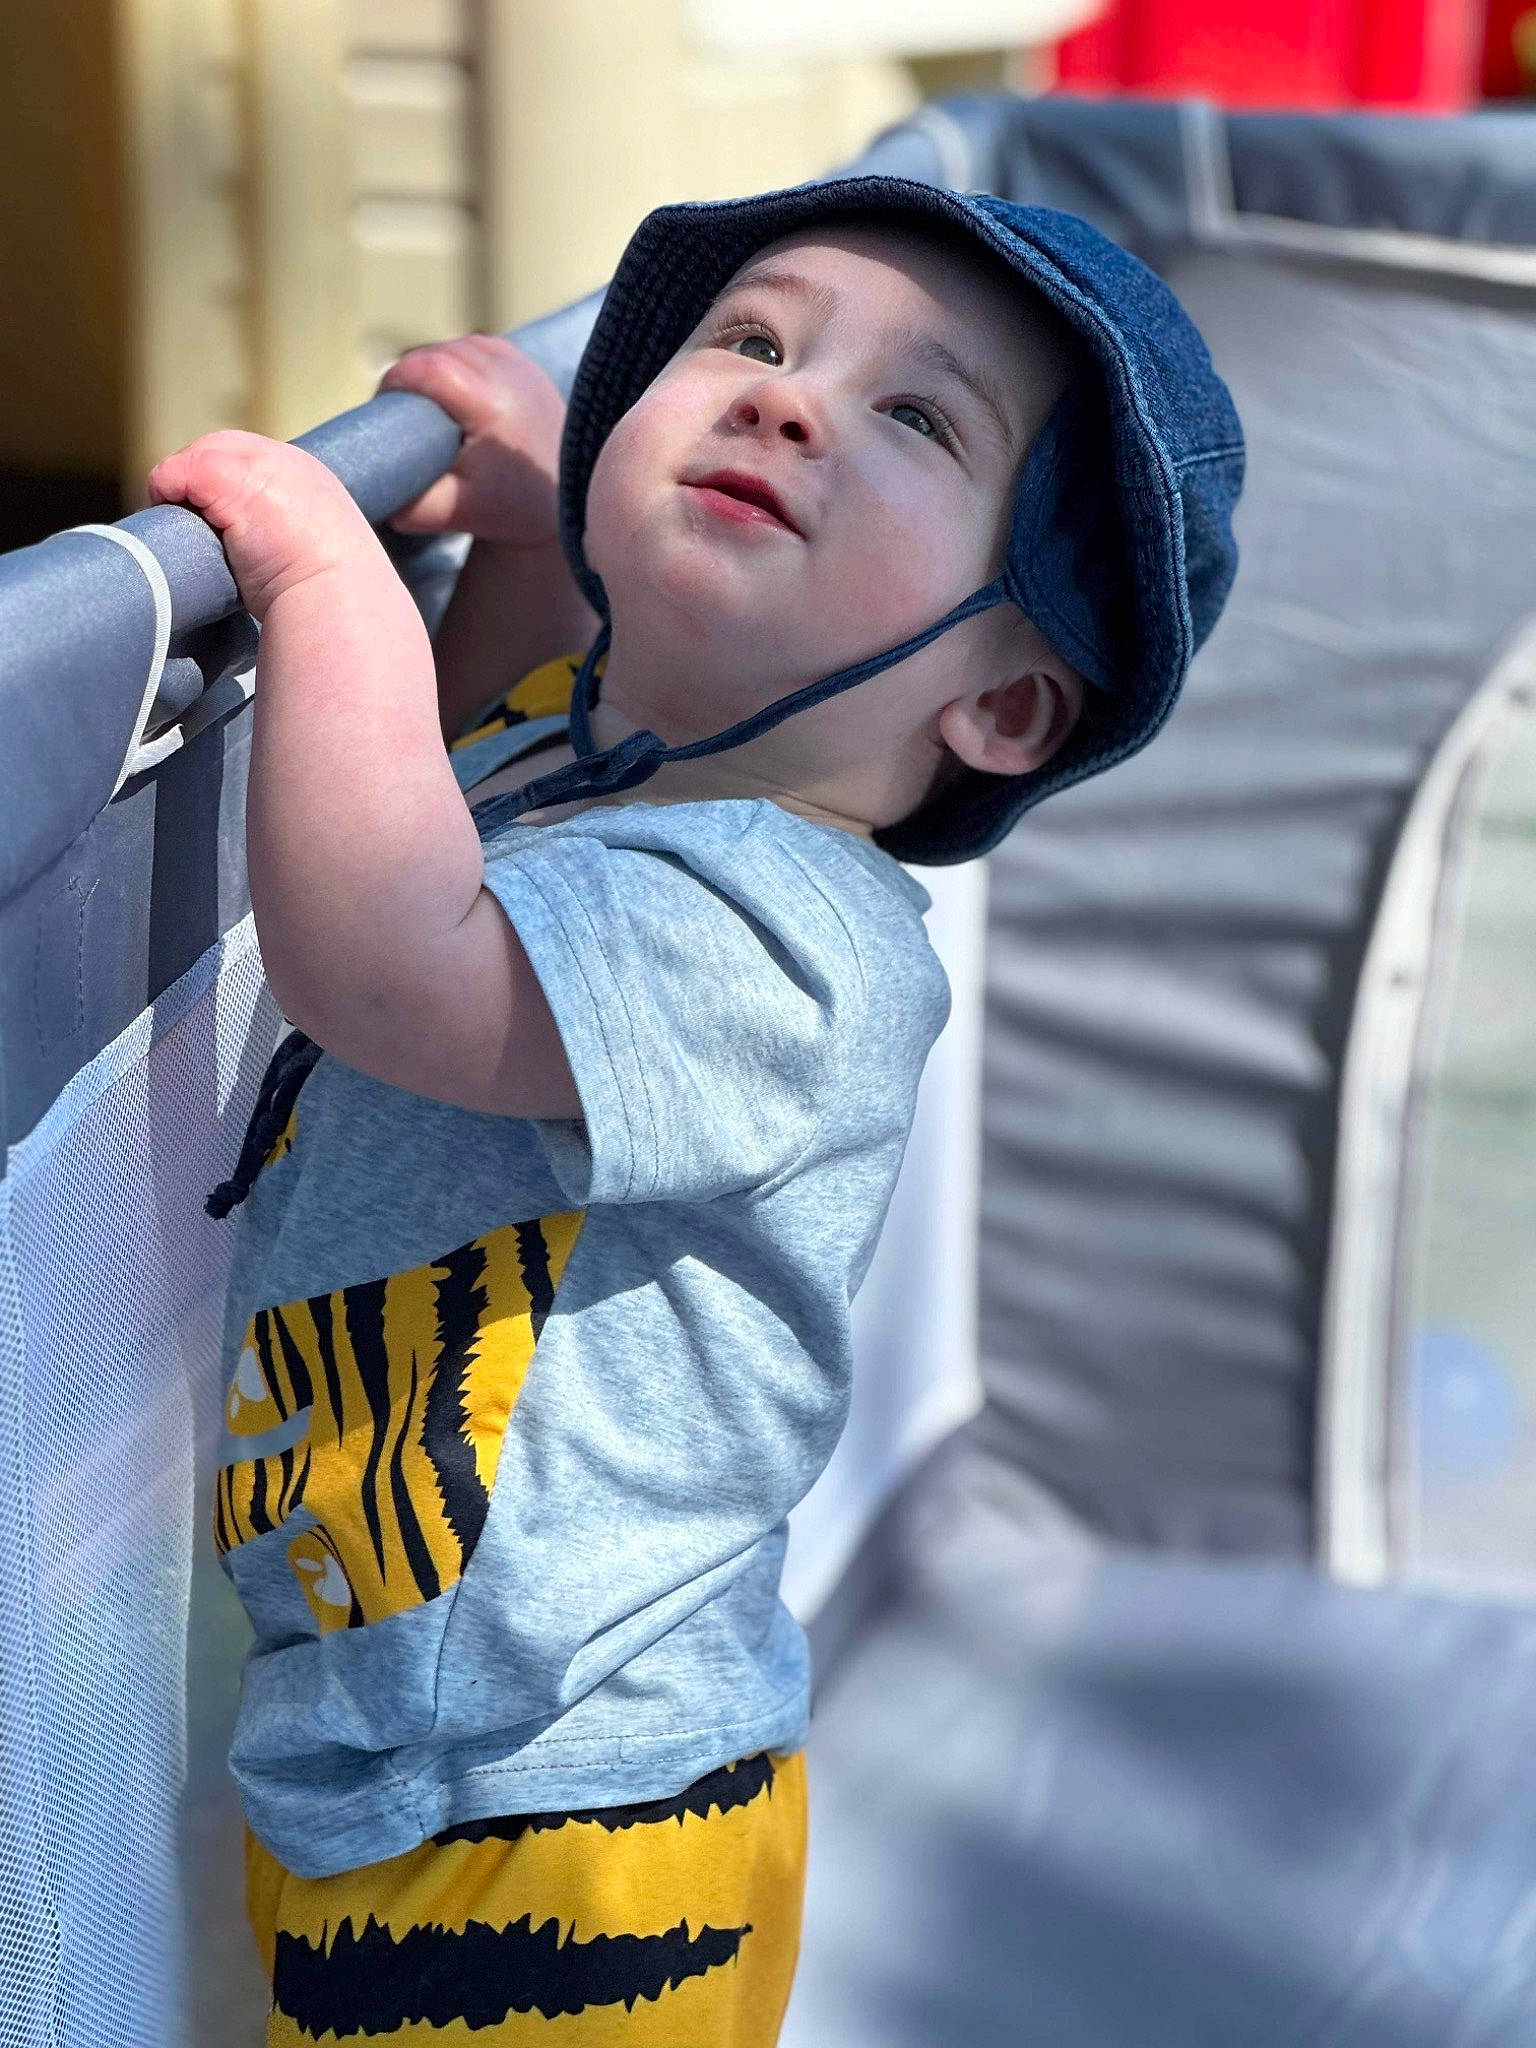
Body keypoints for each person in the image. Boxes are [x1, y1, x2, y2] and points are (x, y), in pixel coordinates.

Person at [151, 175, 1242, 2045]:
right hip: (410, 1770)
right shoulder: (605, 755)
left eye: (917, 416)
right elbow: (440, 757)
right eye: (750, 336)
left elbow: (391, 956)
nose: (787, 395)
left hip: (569, 1839)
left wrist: (324, 568)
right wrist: (524, 545)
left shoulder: (788, 940)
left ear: (999, 706)